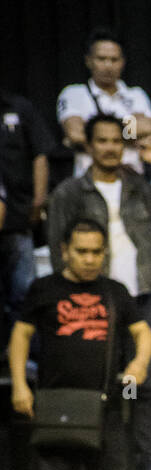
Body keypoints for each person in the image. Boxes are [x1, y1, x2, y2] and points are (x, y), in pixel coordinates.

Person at [8, 218, 151, 470]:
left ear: (105, 253)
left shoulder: (115, 291)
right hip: (55, 407)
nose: (89, 259)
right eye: (82, 251)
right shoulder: (44, 289)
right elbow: (20, 335)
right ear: (64, 251)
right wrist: (21, 385)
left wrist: (138, 365)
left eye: (96, 252)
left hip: (106, 409)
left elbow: (143, 333)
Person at [47, 114, 151, 470]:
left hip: (139, 298)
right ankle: (99, 467)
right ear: (90, 145)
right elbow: (56, 250)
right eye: (103, 141)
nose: (111, 148)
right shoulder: (69, 192)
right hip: (92, 301)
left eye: (117, 141)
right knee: (98, 383)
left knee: (141, 383)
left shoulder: (137, 186)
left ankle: (150, 465)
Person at [57, 27, 151, 176]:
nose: (108, 66)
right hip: (88, 181)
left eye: (114, 59)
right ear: (88, 61)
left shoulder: (136, 94)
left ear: (122, 62)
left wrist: (92, 132)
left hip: (132, 179)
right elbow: (75, 133)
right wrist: (129, 130)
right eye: (101, 59)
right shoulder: (74, 94)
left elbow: (146, 127)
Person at [0, 87, 52, 342]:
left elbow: (40, 154)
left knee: (24, 291)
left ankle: (25, 357)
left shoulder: (19, 108)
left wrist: (38, 201)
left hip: (17, 217)